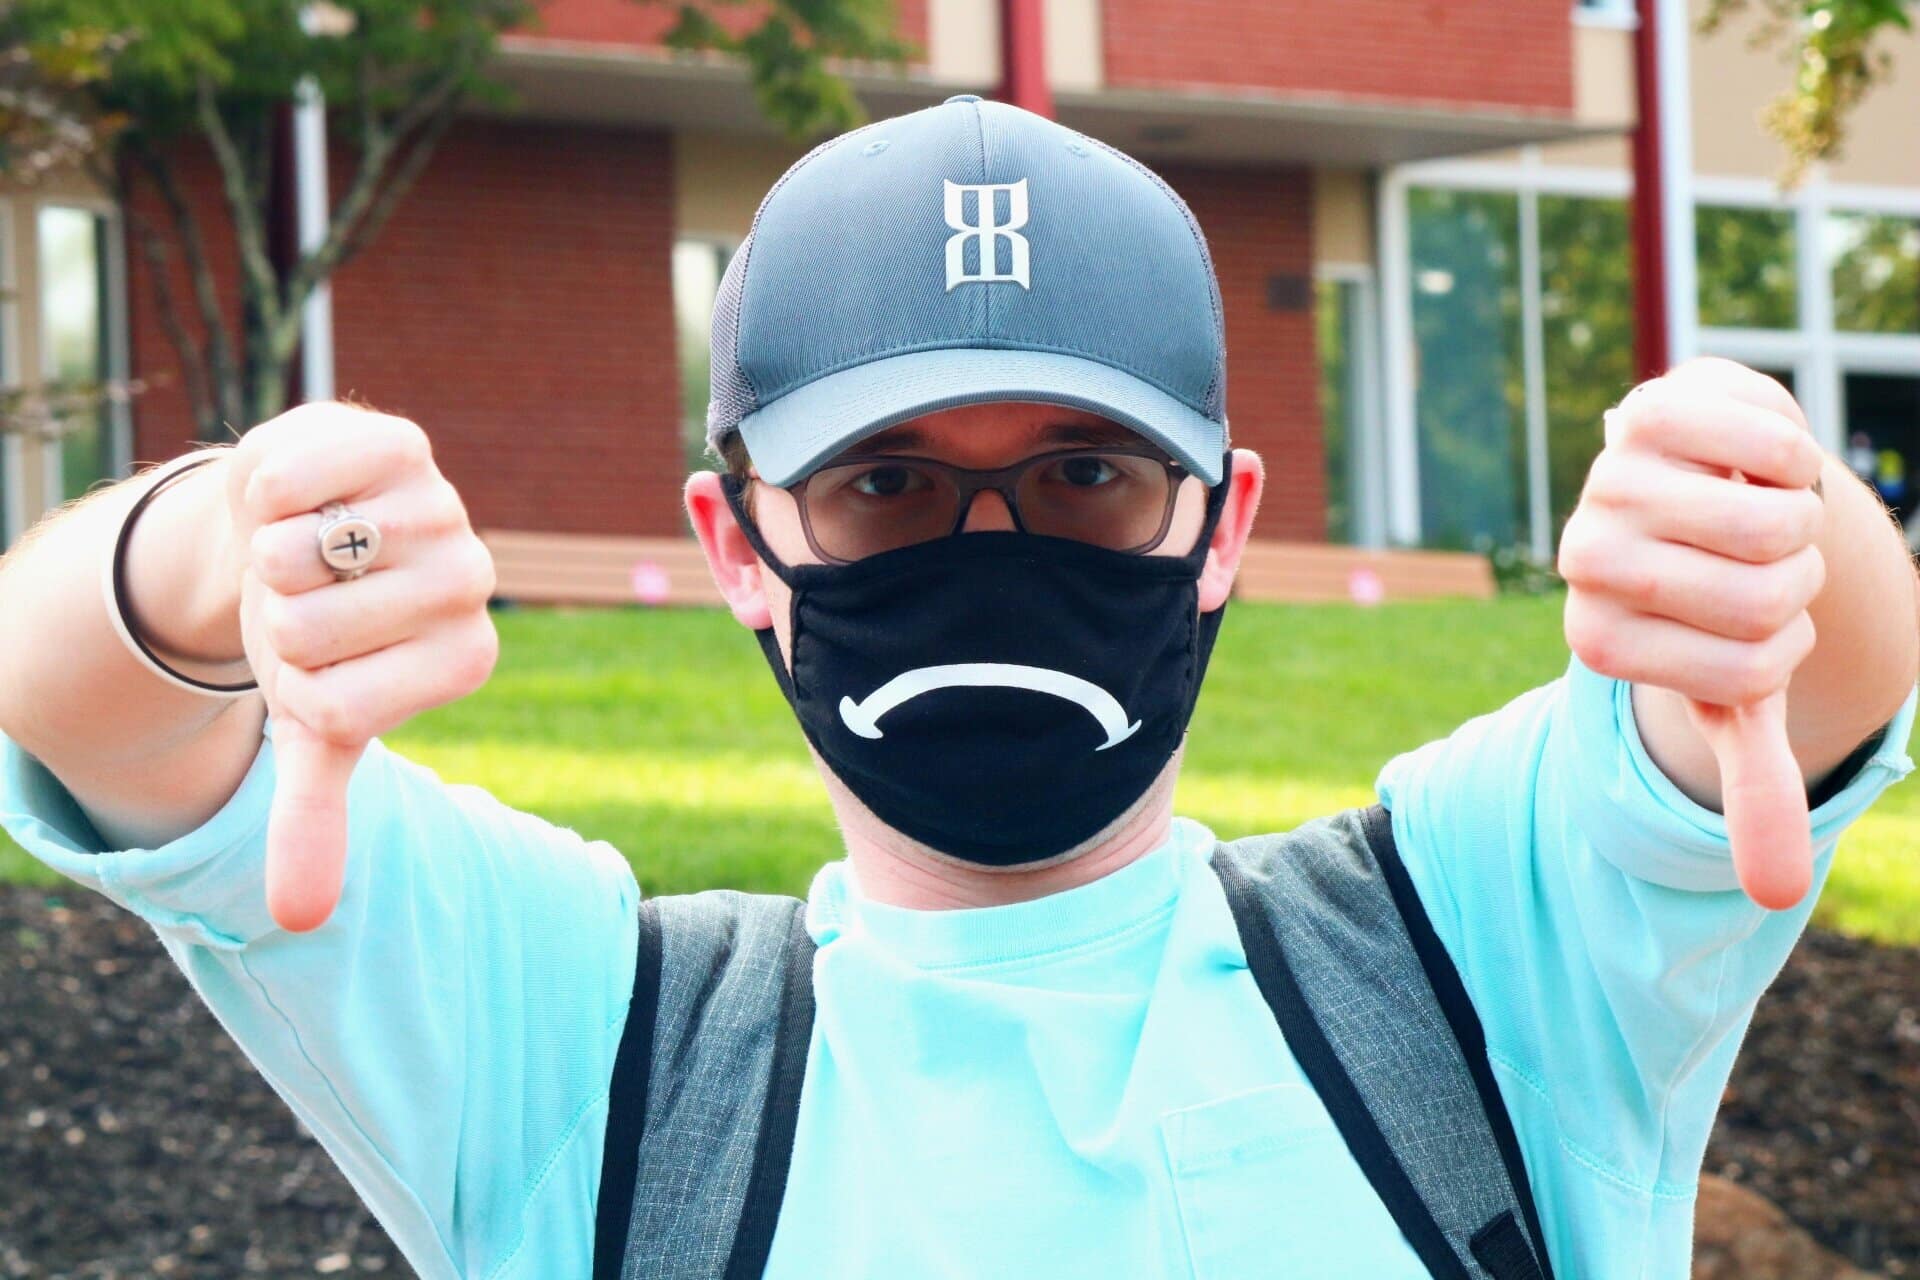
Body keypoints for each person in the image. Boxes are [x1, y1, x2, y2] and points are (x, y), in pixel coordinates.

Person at [1, 96, 1915, 1280]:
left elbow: (1836, 666)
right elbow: (72, 710)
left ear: (1222, 525)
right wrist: (213, 547)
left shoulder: (1474, 951)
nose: (989, 545)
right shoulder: (596, 1055)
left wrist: (1767, 499)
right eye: (886, 484)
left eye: (1088, 476)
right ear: (738, 542)